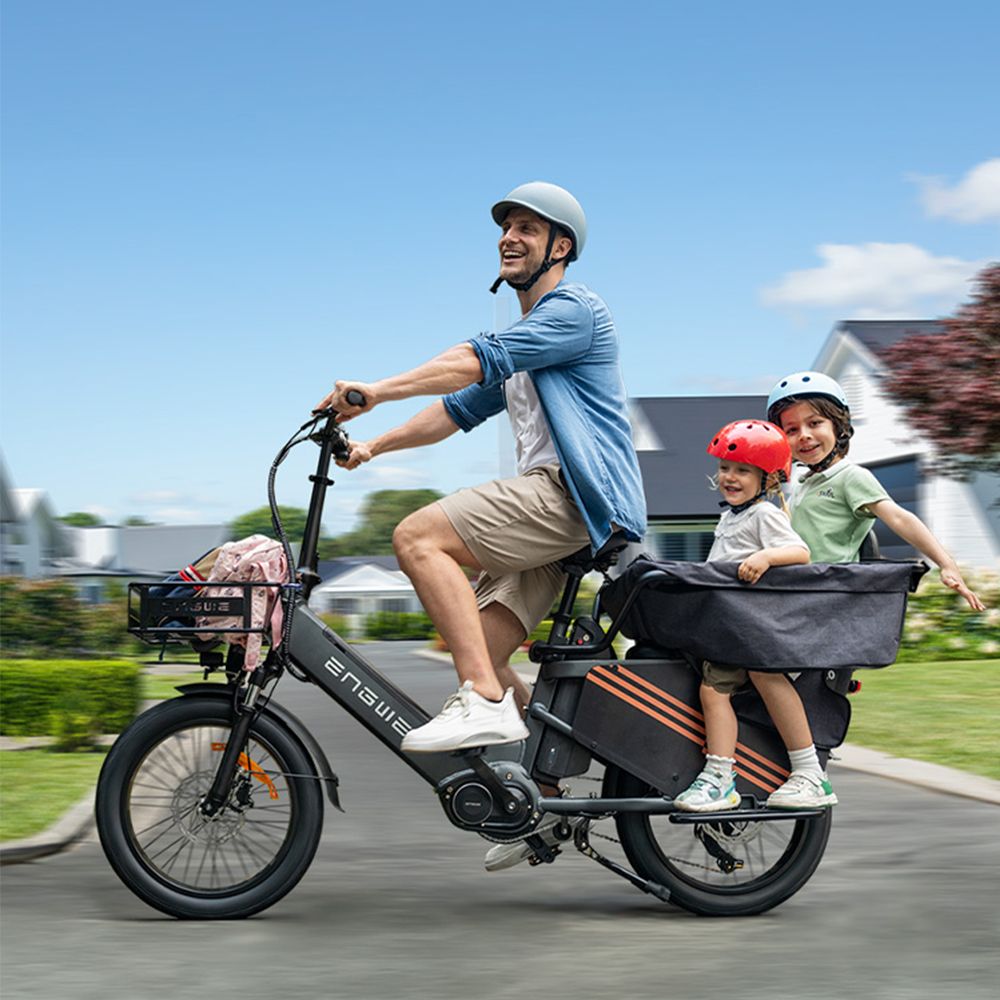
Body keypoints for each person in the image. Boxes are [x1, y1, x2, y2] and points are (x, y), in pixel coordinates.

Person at [314, 182, 646, 865]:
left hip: (573, 498)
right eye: (506, 227)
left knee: (417, 537)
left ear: (561, 247)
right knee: (482, 651)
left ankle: (485, 701)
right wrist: (373, 446)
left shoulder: (574, 311)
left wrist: (375, 390)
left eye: (528, 228)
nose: (509, 237)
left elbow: (474, 357)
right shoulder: (528, 347)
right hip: (556, 517)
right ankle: (539, 802)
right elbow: (455, 409)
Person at [673, 420, 838, 813]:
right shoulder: (731, 516)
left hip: (752, 627)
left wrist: (764, 557)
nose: (730, 477)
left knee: (729, 688)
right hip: (731, 625)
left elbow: (799, 553)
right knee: (723, 688)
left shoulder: (763, 514)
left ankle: (784, 774)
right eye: (725, 468)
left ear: (769, 479)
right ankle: (731, 775)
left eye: (743, 471)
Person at [766, 371, 984, 612]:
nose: (804, 435)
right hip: (795, 590)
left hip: (827, 595)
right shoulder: (802, 482)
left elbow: (900, 518)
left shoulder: (850, 477)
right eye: (792, 430)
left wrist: (946, 564)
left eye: (815, 423)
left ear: (838, 426)